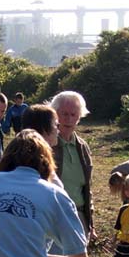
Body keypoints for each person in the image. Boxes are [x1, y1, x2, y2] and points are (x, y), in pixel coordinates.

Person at [0, 129, 89, 257]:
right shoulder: (55, 195)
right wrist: (41, 255)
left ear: (6, 158)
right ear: (47, 164)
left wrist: (0, 239)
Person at [50, 91, 96, 242]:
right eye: (64, 114)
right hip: (52, 217)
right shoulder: (45, 145)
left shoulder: (83, 147)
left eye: (73, 114)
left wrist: (91, 224)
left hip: (79, 215)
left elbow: (87, 188)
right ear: (54, 114)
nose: (68, 119)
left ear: (79, 117)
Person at [21, 103, 63, 188]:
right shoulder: (37, 161)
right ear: (44, 129)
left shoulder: (17, 154)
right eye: (56, 125)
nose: (59, 130)